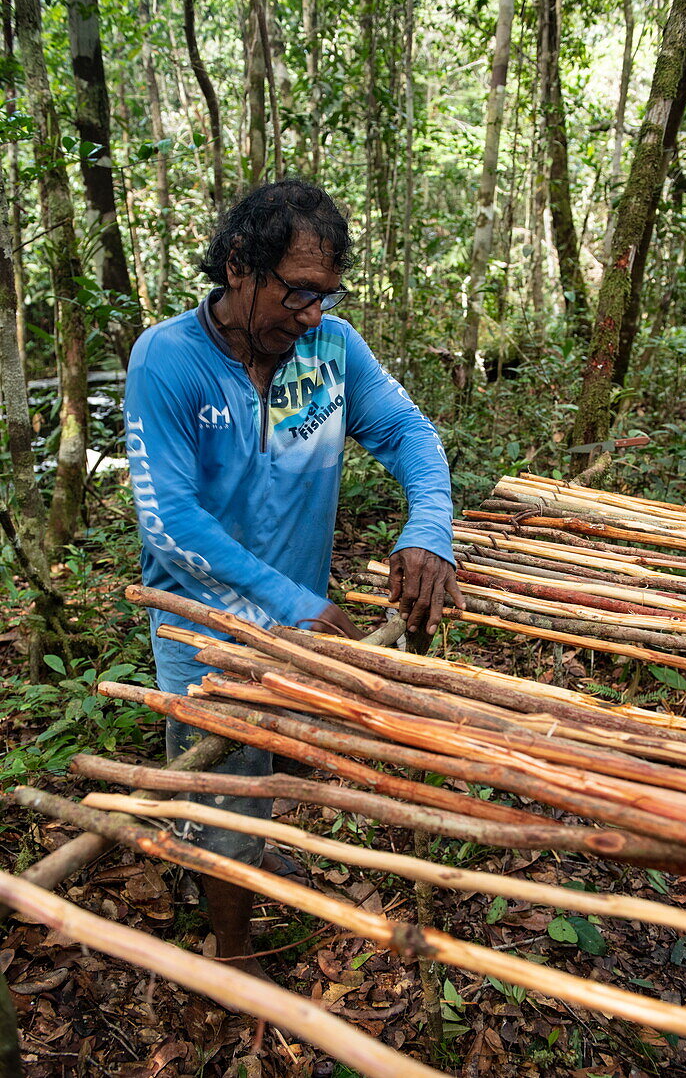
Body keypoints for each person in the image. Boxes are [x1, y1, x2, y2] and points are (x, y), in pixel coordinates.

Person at [124, 179, 464, 978]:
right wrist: (287, 605)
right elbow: (168, 520)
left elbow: (407, 430)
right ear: (239, 265)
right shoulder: (168, 360)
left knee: (282, 768)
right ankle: (233, 957)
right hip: (208, 634)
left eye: (324, 295)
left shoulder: (331, 348)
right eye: (298, 292)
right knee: (226, 806)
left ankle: (257, 865)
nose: (310, 313)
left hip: (303, 622)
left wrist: (428, 527)